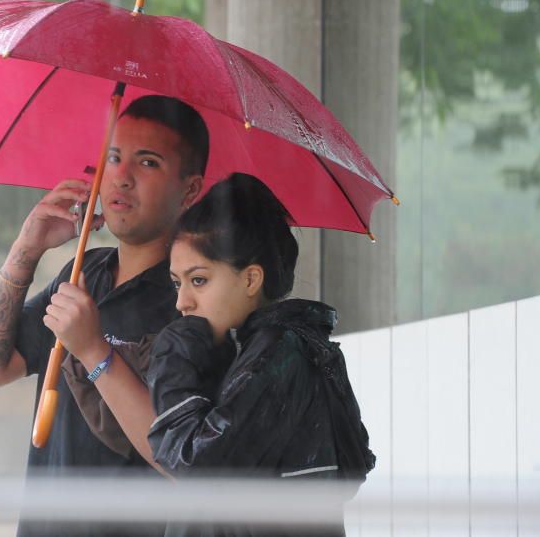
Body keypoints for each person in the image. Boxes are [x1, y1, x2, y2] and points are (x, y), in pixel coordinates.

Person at [0, 95, 210, 537]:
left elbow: (185, 458)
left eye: (147, 163)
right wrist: (27, 249)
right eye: (113, 158)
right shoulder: (83, 274)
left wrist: (94, 351)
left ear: (189, 190)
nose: (122, 178)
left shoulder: (191, 297)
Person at [147, 173, 374, 537]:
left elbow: (196, 466)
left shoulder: (279, 353)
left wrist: (170, 360)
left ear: (251, 279)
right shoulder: (282, 345)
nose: (182, 302)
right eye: (177, 283)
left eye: (199, 280)